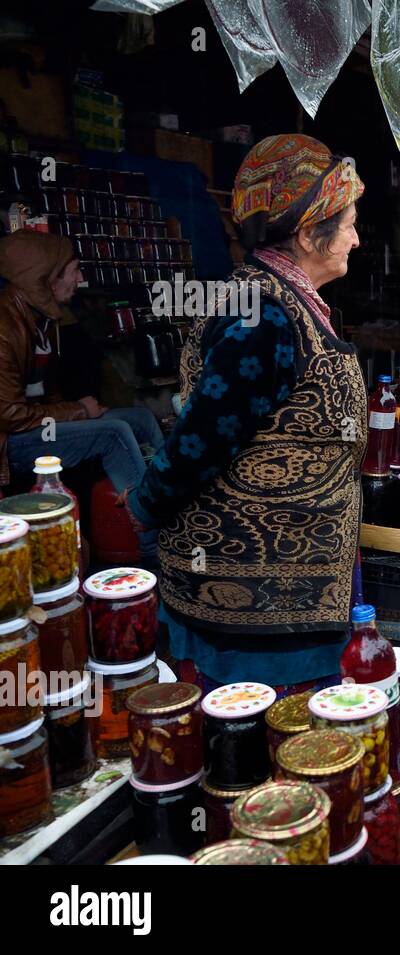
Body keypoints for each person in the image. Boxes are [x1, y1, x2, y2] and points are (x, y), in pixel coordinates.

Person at [126, 134, 367, 693]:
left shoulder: (279, 298)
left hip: (287, 588)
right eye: (349, 223)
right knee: (261, 745)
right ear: (309, 234)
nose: (356, 238)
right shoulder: (266, 315)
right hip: (256, 598)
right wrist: (145, 503)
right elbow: (205, 434)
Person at [0, 230, 164, 562]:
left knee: (141, 419)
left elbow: (45, 394)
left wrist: (78, 412)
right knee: (113, 433)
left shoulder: (43, 320)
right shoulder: (5, 327)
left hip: (38, 424)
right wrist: (78, 412)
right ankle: (155, 547)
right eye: (73, 270)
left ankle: (174, 504)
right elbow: (9, 415)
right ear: (45, 277)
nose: (80, 279)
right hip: (11, 444)